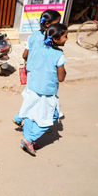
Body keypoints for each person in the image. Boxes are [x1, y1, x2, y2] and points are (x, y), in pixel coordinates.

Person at [17, 23, 68, 156]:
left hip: (32, 87)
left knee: (30, 114)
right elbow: (61, 78)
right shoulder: (58, 54)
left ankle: (28, 138)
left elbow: (28, 64)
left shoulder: (36, 49)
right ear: (56, 39)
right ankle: (28, 139)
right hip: (47, 92)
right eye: (65, 36)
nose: (67, 39)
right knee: (51, 117)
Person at [13, 9, 61, 127]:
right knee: (39, 98)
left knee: (31, 96)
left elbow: (25, 54)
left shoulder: (33, 35)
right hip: (42, 74)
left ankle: (21, 117)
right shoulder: (49, 40)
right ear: (47, 24)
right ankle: (23, 118)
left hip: (31, 71)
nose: (59, 26)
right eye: (57, 23)